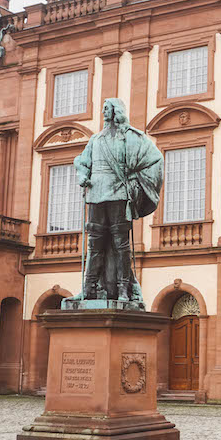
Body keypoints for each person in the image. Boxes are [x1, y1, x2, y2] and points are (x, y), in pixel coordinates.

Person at [73, 98, 163, 303]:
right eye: (103, 108)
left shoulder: (130, 137)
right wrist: (82, 176)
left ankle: (124, 289)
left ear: (116, 111)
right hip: (96, 194)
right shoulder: (95, 140)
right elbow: (82, 162)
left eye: (108, 108)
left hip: (119, 194)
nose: (104, 111)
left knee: (121, 244)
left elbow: (155, 159)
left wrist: (134, 181)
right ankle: (89, 287)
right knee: (94, 245)